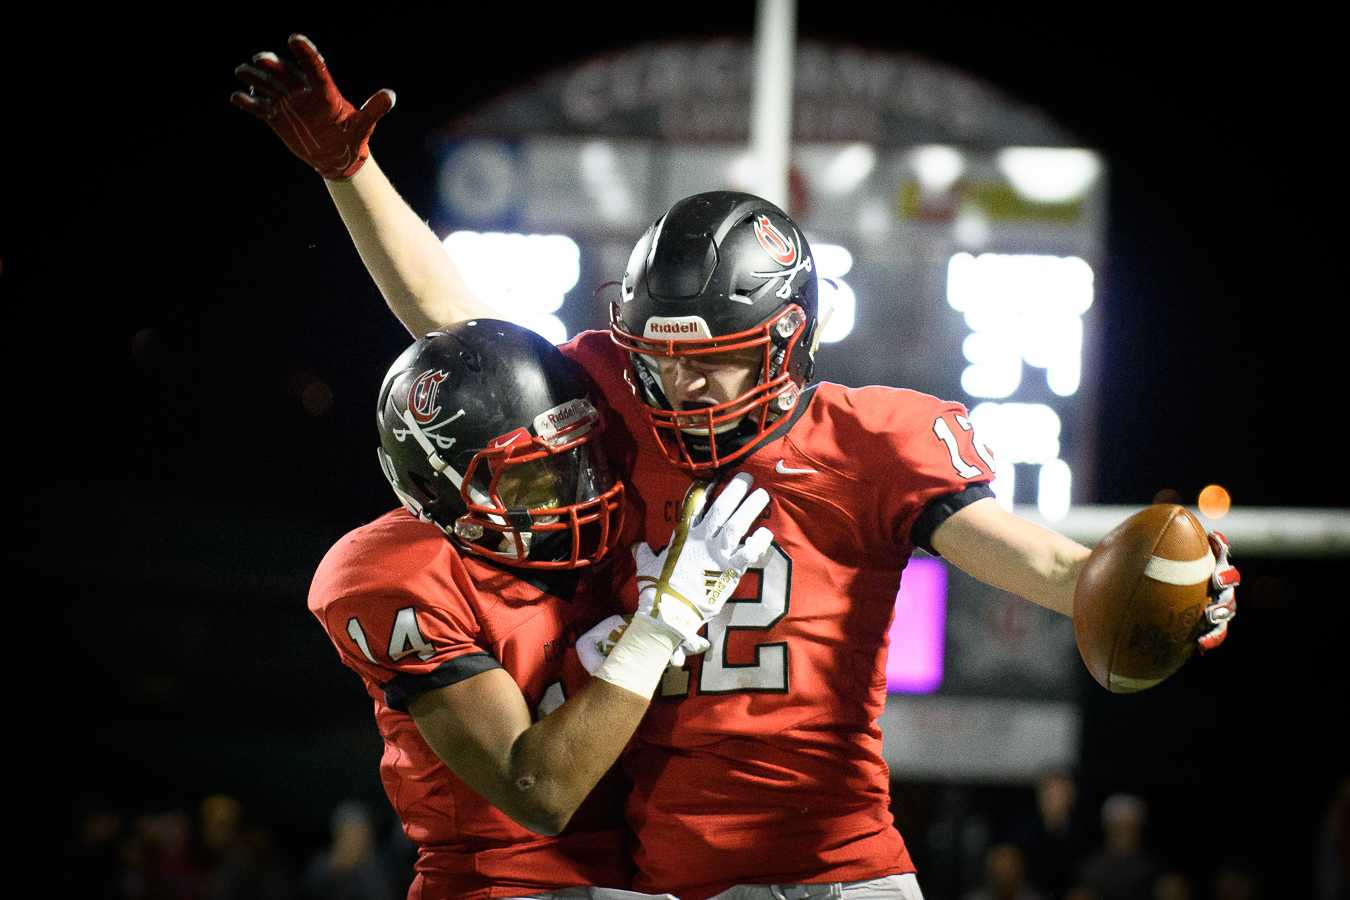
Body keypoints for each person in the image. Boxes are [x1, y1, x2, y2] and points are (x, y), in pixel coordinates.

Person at [233, 35, 1240, 900]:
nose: (682, 386)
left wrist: (1170, 591)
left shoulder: (870, 440)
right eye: (659, 357)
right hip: (668, 876)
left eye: (708, 359)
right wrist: (351, 172)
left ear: (786, 339)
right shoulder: (615, 403)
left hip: (832, 864)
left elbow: (1051, 568)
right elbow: (457, 335)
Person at [305, 321, 773, 898]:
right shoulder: (400, 575)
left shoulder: (619, 531)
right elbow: (538, 792)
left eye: (576, 461)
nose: (571, 496)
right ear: (431, 493)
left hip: (640, 875)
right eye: (529, 482)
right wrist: (657, 629)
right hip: (503, 883)